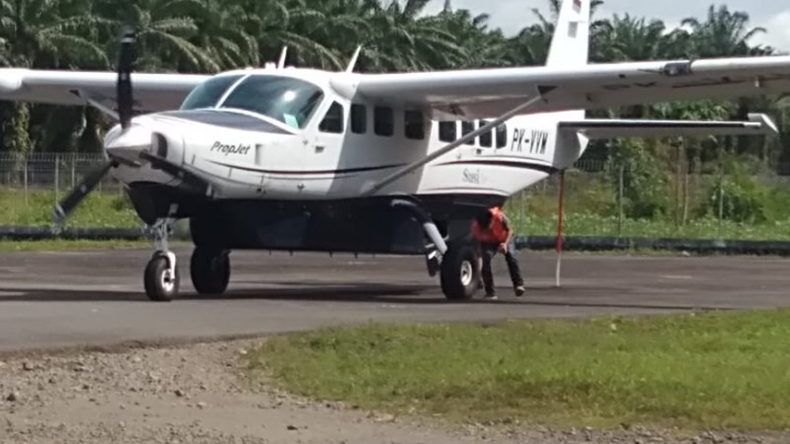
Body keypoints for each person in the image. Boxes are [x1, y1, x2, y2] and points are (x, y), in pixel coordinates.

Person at [470, 206, 525, 300]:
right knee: (486, 260)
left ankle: (518, 284)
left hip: (504, 238)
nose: (487, 230)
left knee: (511, 257)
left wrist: (505, 244)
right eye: (484, 229)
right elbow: (477, 247)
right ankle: (490, 292)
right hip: (488, 242)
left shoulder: (499, 217)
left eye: (488, 226)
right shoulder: (475, 228)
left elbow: (510, 230)